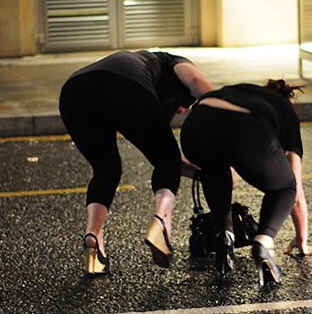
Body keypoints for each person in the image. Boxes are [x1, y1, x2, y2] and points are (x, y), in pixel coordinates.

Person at [59, 50, 213, 275]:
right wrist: (219, 108)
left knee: (106, 170)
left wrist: (201, 173)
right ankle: (161, 222)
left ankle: (93, 238)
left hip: (74, 91)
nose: (181, 110)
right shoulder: (172, 61)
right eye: (183, 105)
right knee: (167, 158)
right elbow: (196, 79)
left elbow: (162, 157)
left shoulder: (147, 71)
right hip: (124, 84)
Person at [180, 79, 312, 285]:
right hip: (245, 128)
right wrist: (302, 240)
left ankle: (224, 233)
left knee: (214, 168)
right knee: (285, 187)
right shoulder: (286, 114)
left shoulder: (241, 90)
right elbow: (296, 193)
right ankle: (263, 242)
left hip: (195, 125)